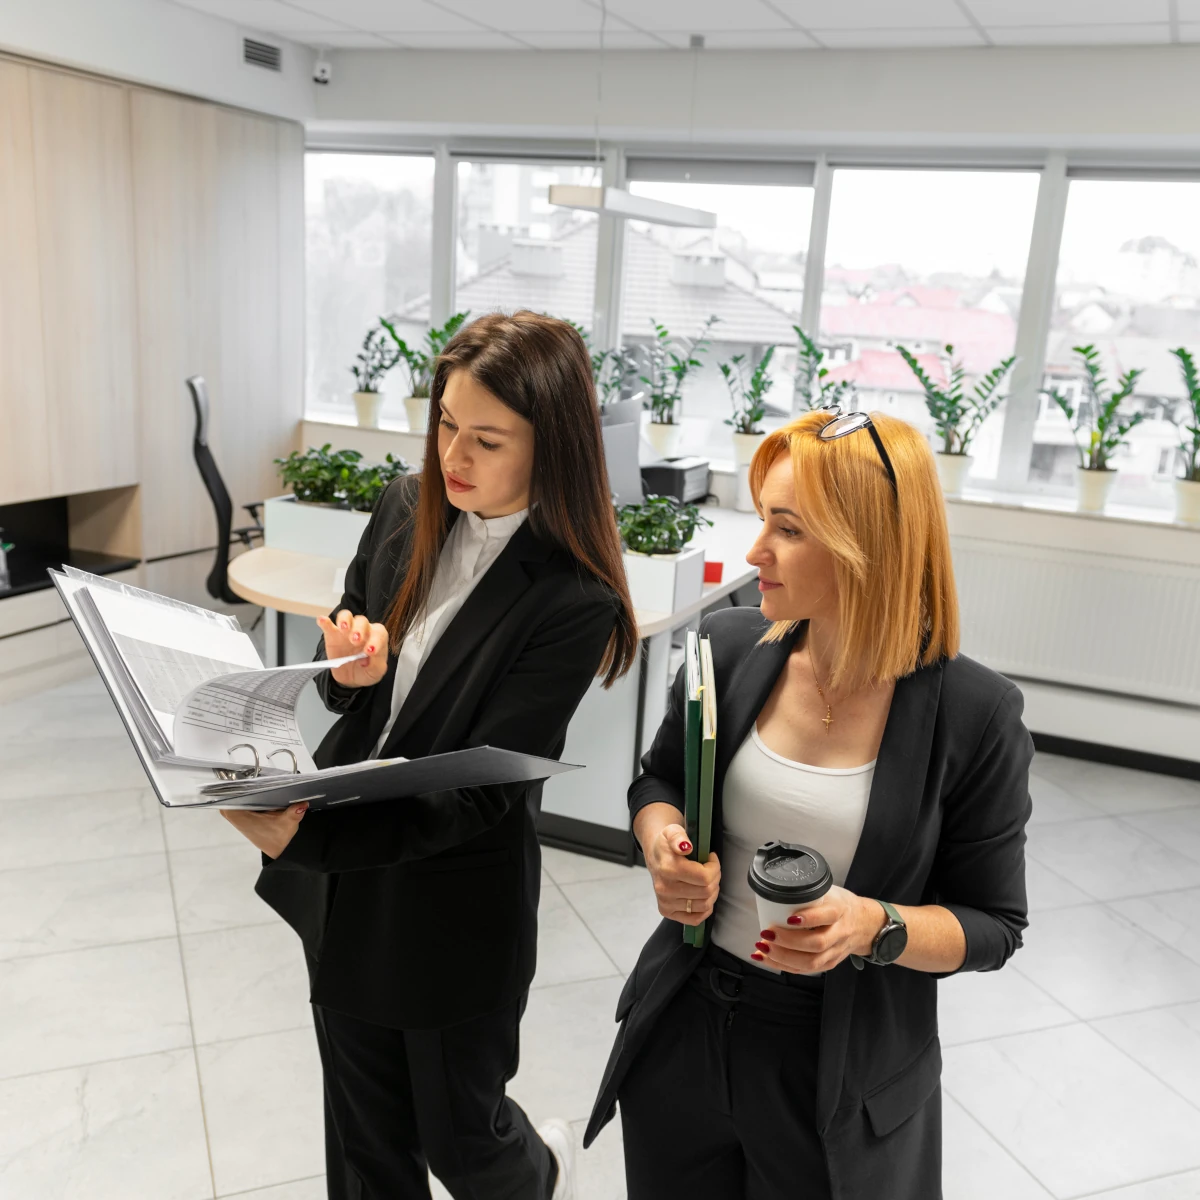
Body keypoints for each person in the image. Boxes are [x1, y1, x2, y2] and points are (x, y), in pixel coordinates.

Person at [222, 311, 639, 1200]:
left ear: (551, 448)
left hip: (453, 902)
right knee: (366, 1148)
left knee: (466, 1146)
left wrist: (305, 839)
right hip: (347, 887)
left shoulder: (572, 597)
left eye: (487, 439)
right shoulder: (409, 506)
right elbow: (349, 679)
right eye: (447, 423)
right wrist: (350, 669)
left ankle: (546, 1167)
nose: (454, 454)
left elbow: (482, 791)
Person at [585, 409, 1033, 1200]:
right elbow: (656, 780)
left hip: (837, 1071)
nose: (755, 552)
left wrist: (874, 925)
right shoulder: (727, 648)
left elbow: (994, 926)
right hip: (687, 1028)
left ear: (869, 547)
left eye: (786, 530)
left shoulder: (975, 714)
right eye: (762, 520)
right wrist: (663, 842)